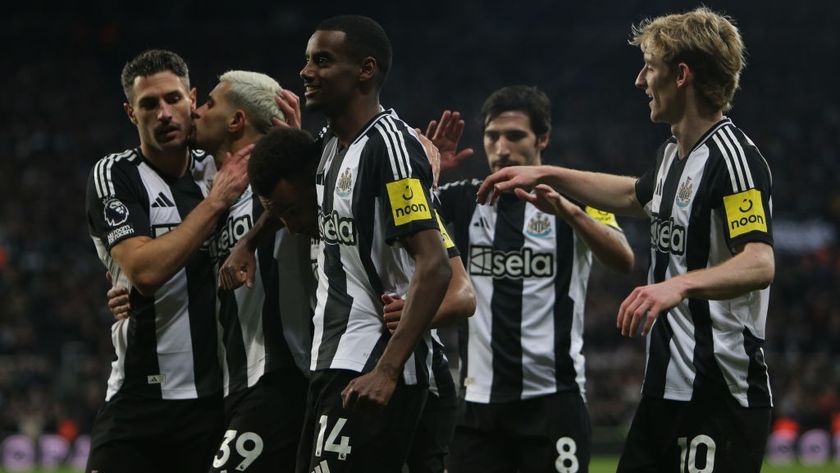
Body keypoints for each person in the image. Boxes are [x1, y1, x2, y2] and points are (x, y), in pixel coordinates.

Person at [477, 8, 774, 473]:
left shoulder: (733, 160)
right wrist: (546, 171)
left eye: (649, 66)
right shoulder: (671, 157)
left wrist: (677, 285)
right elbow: (632, 195)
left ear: (681, 75)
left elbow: (759, 261)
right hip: (664, 390)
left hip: (719, 394)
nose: (640, 81)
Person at [427, 86, 635, 473]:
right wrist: (429, 171)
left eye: (515, 136)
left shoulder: (576, 201)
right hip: (477, 406)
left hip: (554, 402)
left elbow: (623, 258)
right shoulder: (461, 200)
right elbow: (406, 215)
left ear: (542, 139)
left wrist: (569, 211)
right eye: (492, 136)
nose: (502, 147)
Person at [294, 14, 454, 473]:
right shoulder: (328, 144)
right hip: (332, 356)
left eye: (322, 61)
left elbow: (435, 265)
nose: (306, 72)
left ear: (365, 70)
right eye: (307, 61)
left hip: (375, 363)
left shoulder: (390, 147)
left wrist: (386, 369)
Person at [84, 49, 250, 473]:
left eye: (173, 99)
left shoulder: (220, 167)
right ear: (130, 112)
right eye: (149, 104)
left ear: (192, 98)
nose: (164, 113)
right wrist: (214, 204)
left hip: (214, 403)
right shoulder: (115, 175)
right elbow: (145, 272)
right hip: (138, 402)